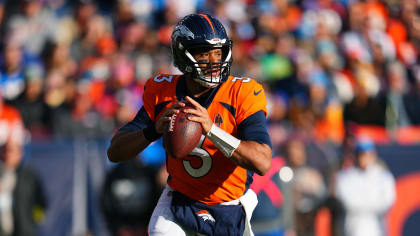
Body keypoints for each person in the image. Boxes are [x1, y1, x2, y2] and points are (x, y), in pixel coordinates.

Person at [107, 13, 272, 236]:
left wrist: (212, 130)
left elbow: (262, 162)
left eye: (218, 52)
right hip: (179, 203)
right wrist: (152, 130)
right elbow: (115, 151)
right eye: (204, 53)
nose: (214, 61)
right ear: (182, 54)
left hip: (231, 205)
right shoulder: (162, 91)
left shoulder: (241, 93)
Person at [0, 95, 47, 236]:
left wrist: (32, 221)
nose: (8, 154)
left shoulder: (29, 176)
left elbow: (41, 202)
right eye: (5, 150)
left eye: (12, 150)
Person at [334, 138, 395, 236]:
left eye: (368, 154)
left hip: (377, 231)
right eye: (362, 154)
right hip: (352, 231)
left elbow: (387, 202)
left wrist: (362, 202)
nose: (365, 158)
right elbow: (348, 203)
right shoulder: (345, 177)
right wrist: (373, 202)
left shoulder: (383, 176)